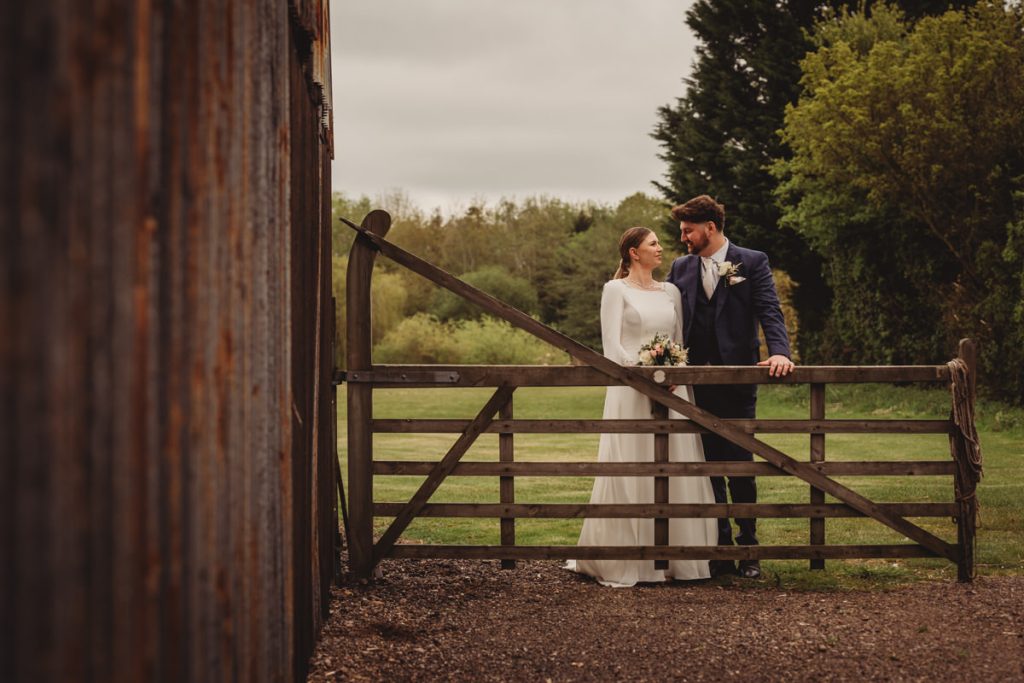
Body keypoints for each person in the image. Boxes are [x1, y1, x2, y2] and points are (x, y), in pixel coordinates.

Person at [568, 226, 717, 587]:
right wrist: (643, 376)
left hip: (672, 389)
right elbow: (612, 347)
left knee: (675, 464)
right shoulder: (614, 290)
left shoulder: (671, 291)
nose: (660, 248)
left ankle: (676, 559)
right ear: (634, 252)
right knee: (632, 464)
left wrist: (673, 371)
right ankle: (629, 559)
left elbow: (679, 341)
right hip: (631, 391)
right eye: (653, 244)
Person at [666, 195, 794, 579]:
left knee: (740, 464)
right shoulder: (680, 267)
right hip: (693, 384)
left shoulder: (752, 261)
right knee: (706, 467)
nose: (684, 238)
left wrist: (780, 352)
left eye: (689, 231)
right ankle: (719, 550)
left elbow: (769, 310)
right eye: (682, 232)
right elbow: (671, 320)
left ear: (710, 227)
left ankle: (749, 549)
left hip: (737, 381)